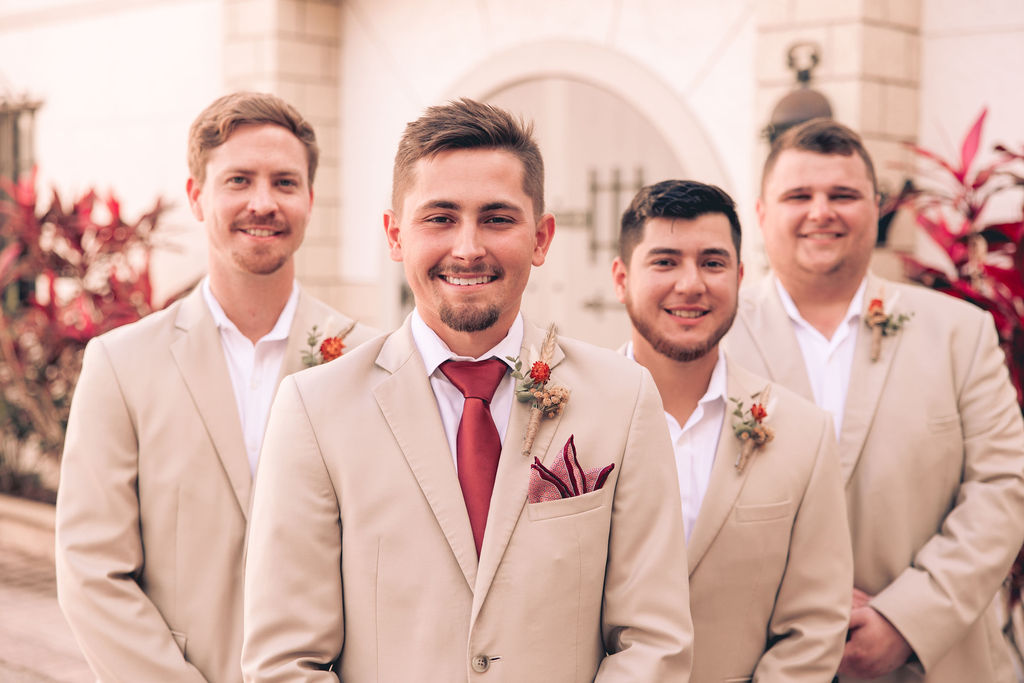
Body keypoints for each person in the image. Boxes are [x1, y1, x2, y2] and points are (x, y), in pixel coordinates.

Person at [241, 98, 694, 682]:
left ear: (542, 237)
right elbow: (285, 660)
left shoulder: (624, 398)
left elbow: (653, 639)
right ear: (395, 234)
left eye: (498, 218)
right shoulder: (314, 410)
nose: (468, 247)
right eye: (440, 217)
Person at [55, 91, 378, 682]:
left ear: (310, 198)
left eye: (284, 182)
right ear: (197, 196)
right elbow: (91, 572)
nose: (263, 202)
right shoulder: (121, 365)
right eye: (238, 180)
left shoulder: (368, 362)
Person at [725, 118, 1024, 682]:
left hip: (929, 662)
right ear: (762, 214)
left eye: (843, 195)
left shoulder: (961, 332)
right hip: (760, 662)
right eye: (798, 196)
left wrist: (906, 620)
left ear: (878, 210)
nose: (821, 212)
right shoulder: (712, 339)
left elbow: (1003, 488)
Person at [611, 179, 852, 681]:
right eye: (665, 261)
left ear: (740, 277)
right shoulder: (561, 422)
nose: (692, 284)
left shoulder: (803, 434)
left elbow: (815, 625)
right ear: (620, 279)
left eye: (713, 263)